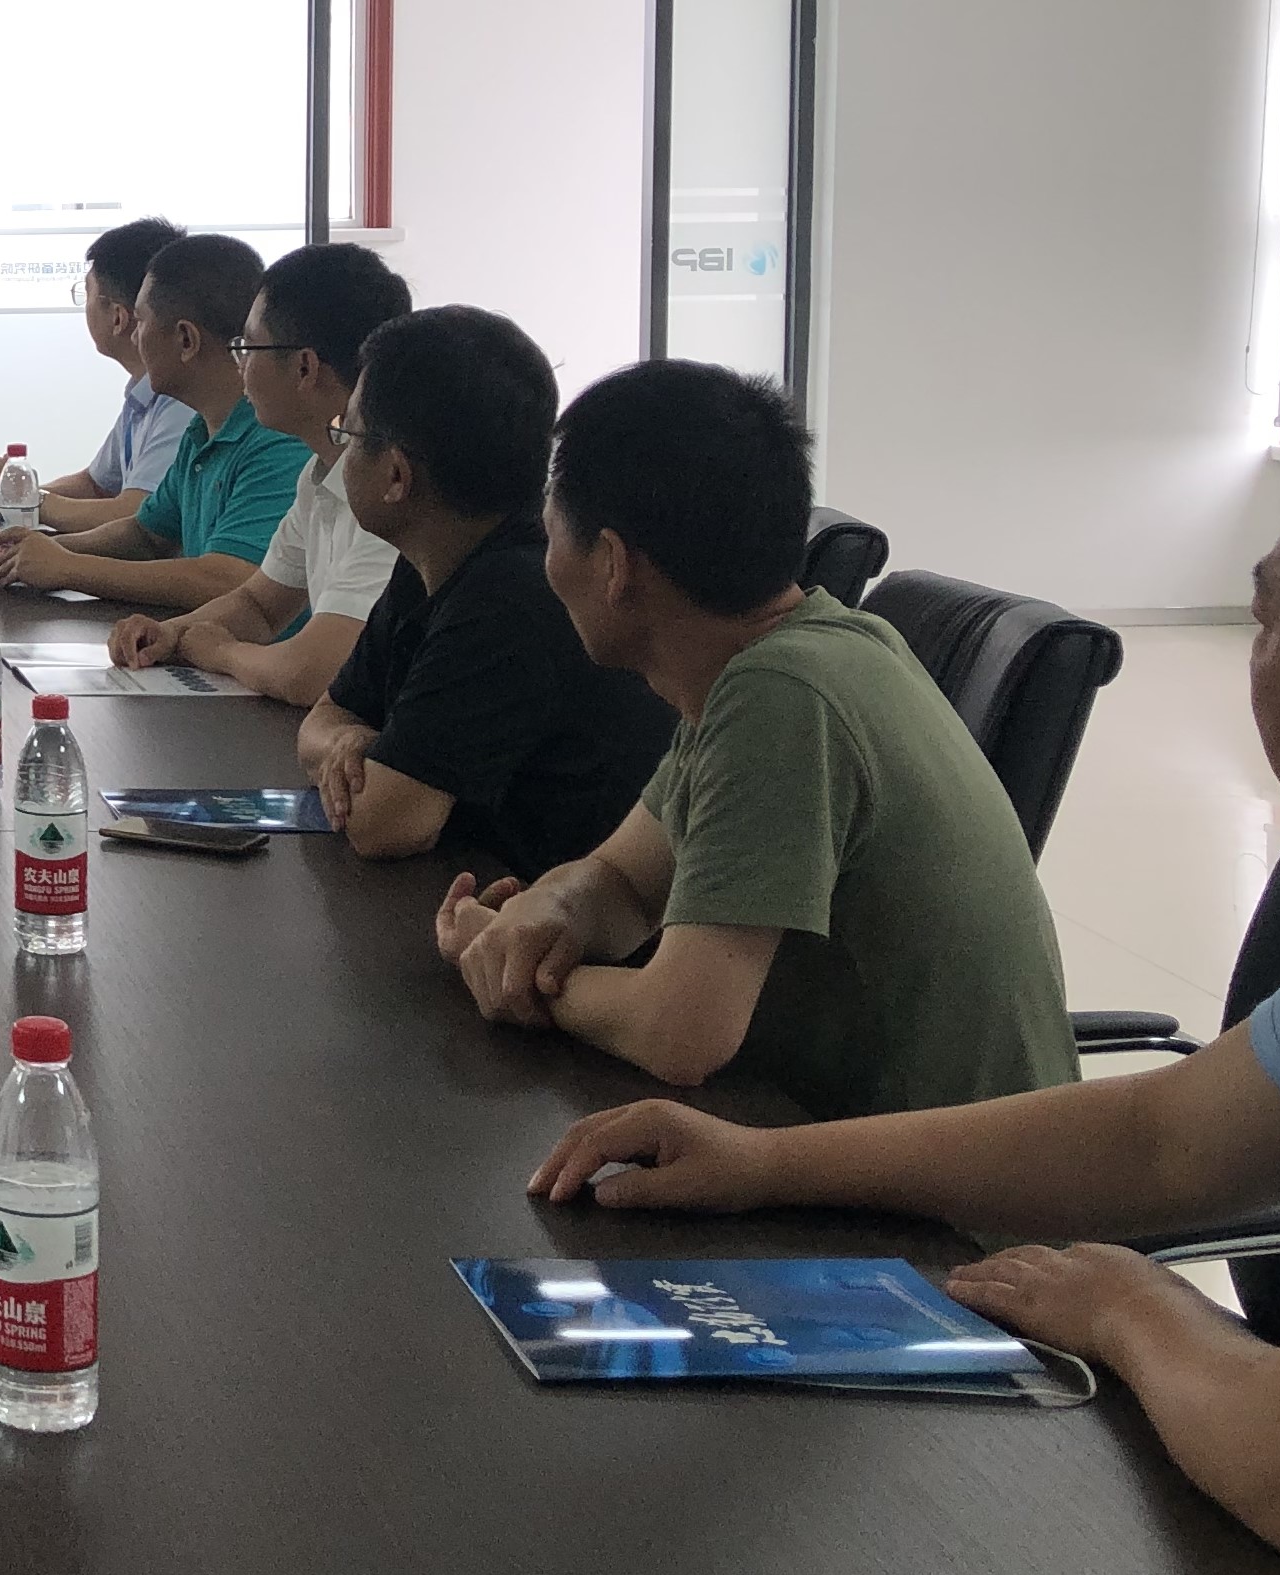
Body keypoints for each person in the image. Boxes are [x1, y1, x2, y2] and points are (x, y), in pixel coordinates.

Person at [534, 402, 1280, 1575]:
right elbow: (1163, 1139)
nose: (1251, 657)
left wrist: (1133, 1306)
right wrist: (763, 1164)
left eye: (1268, 622)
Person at [438, 359, 1073, 1117]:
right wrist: (554, 912)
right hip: (850, 1137)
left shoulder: (780, 695)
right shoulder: (785, 655)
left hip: (956, 1187)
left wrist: (525, 983)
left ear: (611, 564)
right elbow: (625, 879)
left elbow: (681, 1033)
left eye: (551, 537)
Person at [294, 306, 672, 874]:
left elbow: (384, 824)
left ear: (396, 476)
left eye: (348, 433)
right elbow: (321, 723)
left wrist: (361, 748)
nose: (341, 451)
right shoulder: (430, 559)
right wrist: (353, 744)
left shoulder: (511, 597)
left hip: (552, 908)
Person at [109, 241, 411, 698]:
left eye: (247, 348)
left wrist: (220, 652)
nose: (241, 367)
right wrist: (171, 633)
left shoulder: (388, 491)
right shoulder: (320, 472)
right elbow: (259, 605)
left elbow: (310, 671)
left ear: (305, 368)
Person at [0, 232, 308, 615]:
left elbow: (226, 577)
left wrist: (69, 567)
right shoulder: (201, 431)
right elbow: (145, 534)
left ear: (186, 340)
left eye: (141, 322)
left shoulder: (277, 440)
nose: (135, 336)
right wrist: (44, 549)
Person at [0, 217, 186, 534]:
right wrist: (15, 493)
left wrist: (27, 501)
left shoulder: (180, 402)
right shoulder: (143, 393)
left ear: (118, 317)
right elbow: (96, 485)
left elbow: (134, 514)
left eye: (86, 293)